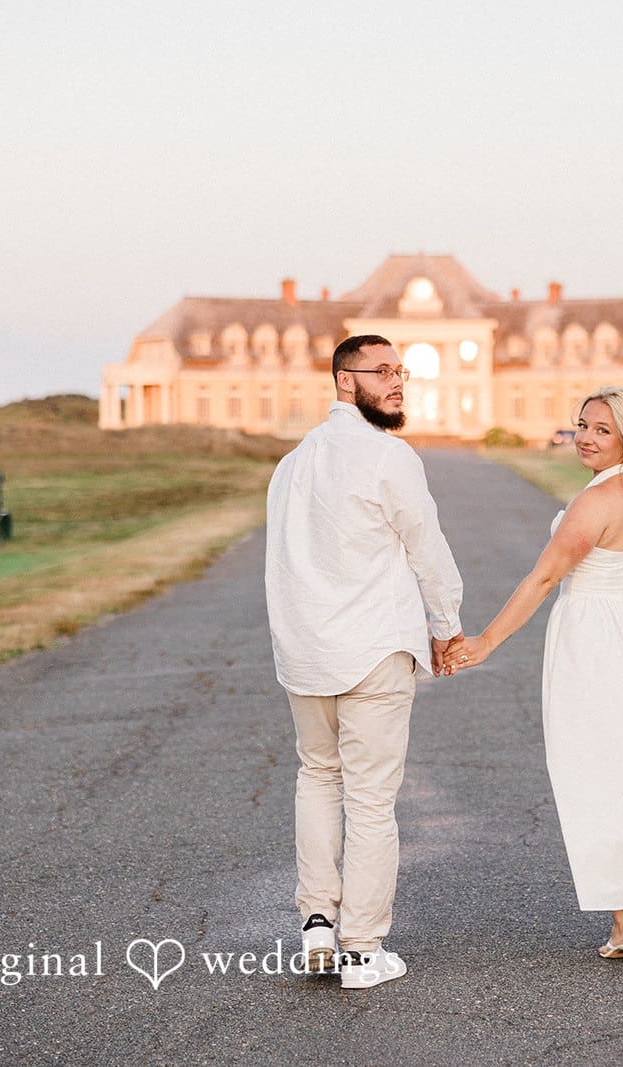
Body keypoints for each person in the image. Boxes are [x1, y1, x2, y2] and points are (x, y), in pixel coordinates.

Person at [445, 386, 623, 964]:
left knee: (594, 774)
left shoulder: (595, 503)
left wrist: (487, 641)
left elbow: (543, 580)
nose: (585, 438)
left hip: (593, 647)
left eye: (601, 429)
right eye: (582, 426)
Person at [264, 334, 463, 989]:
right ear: (345, 381)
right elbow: (426, 547)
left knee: (317, 778)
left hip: (306, 650)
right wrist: (447, 626)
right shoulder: (388, 455)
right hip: (372, 645)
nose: (398, 382)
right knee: (372, 800)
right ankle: (360, 949)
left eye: (400, 371)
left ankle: (317, 921)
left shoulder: (291, 464)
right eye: (383, 372)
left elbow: (286, 565)